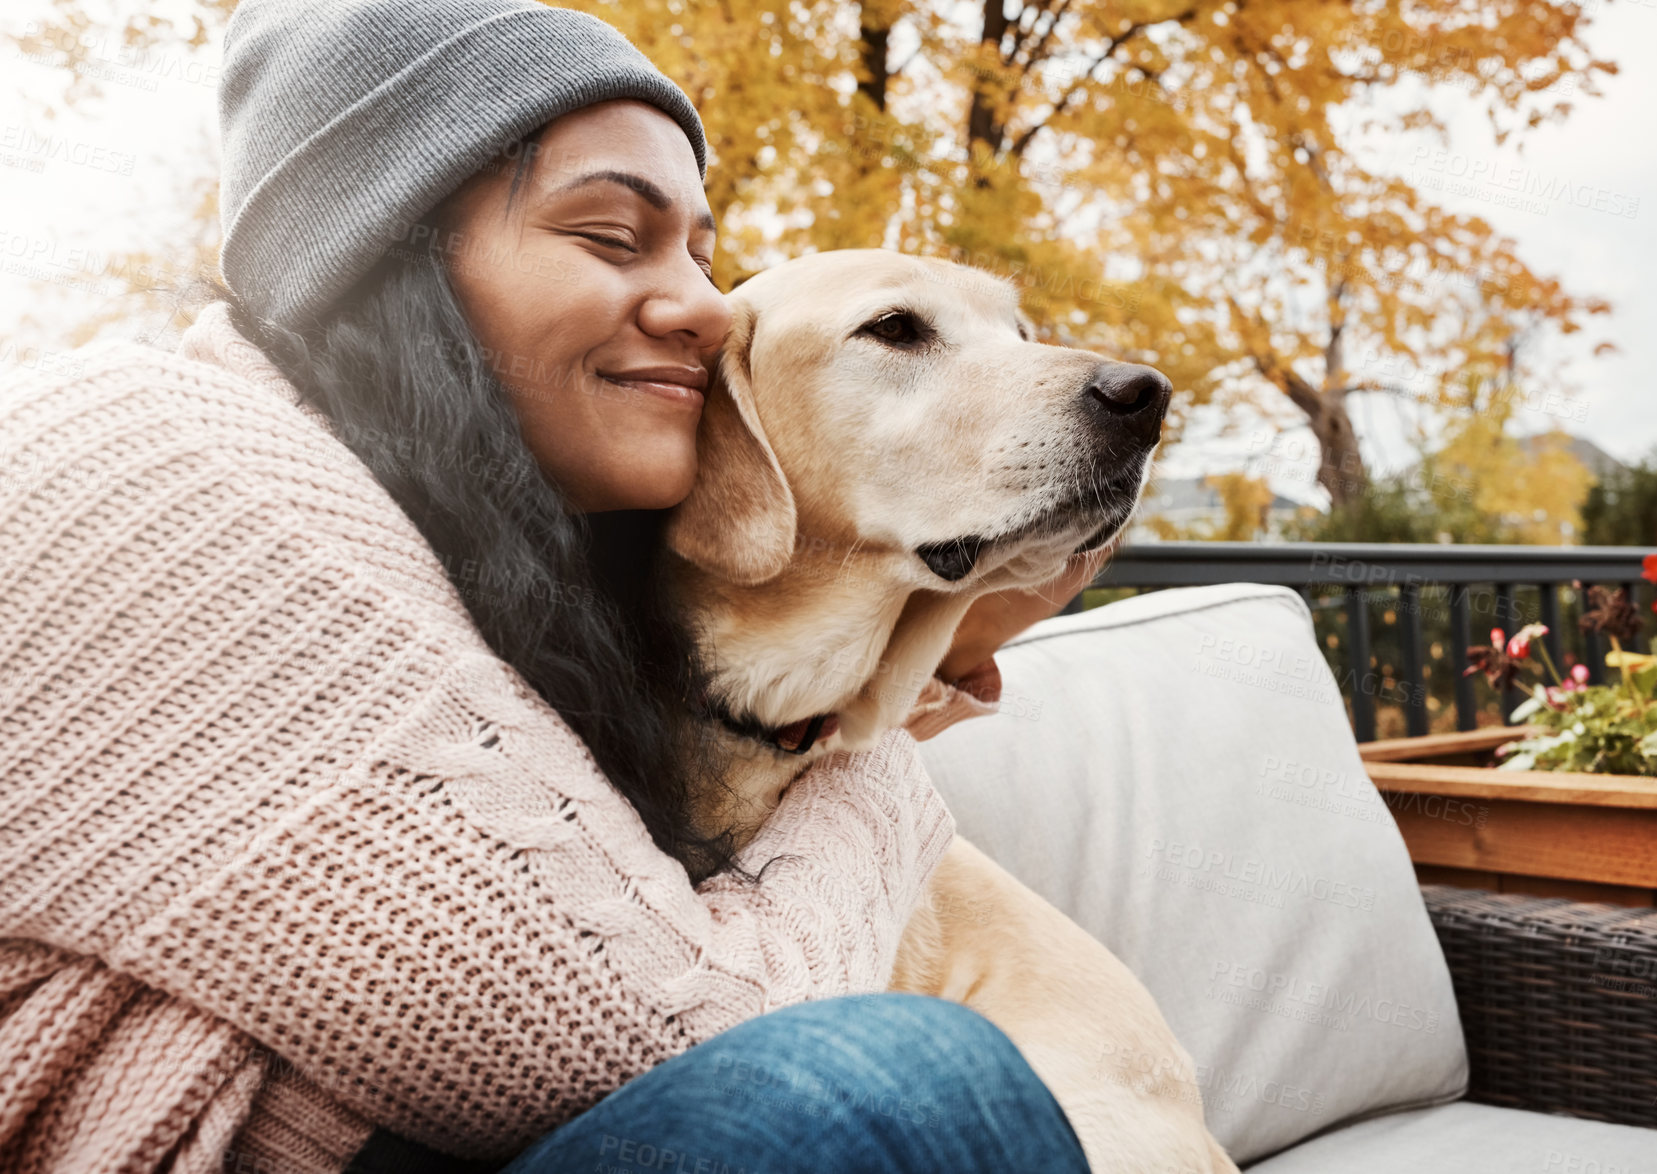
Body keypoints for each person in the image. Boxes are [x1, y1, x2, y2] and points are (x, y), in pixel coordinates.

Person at [0, 2, 1107, 1171]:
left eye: (699, 249)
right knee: (896, 1086)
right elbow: (717, 1031)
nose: (706, 306)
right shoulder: (178, 465)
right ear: (389, 260)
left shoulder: (482, 554)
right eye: (613, 236)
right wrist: (877, 740)